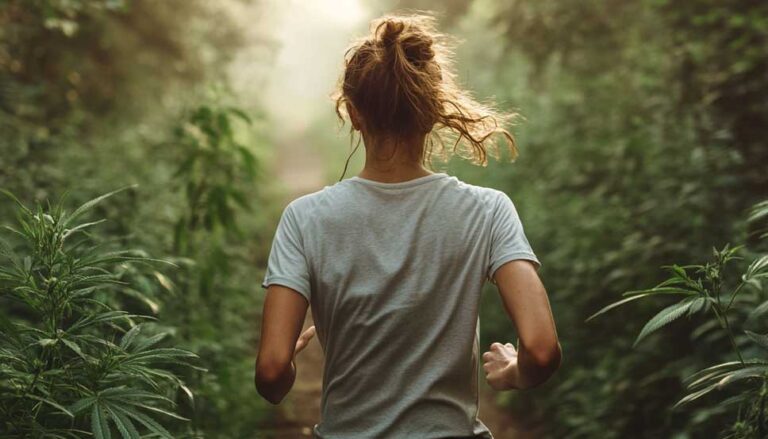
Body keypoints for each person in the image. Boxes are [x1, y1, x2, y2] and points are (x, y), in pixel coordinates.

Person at [255, 12, 561, 439]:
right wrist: (514, 372)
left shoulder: (304, 219)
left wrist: (287, 364)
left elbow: (271, 373)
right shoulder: (488, 210)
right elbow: (542, 350)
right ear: (433, 111)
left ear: (353, 113)